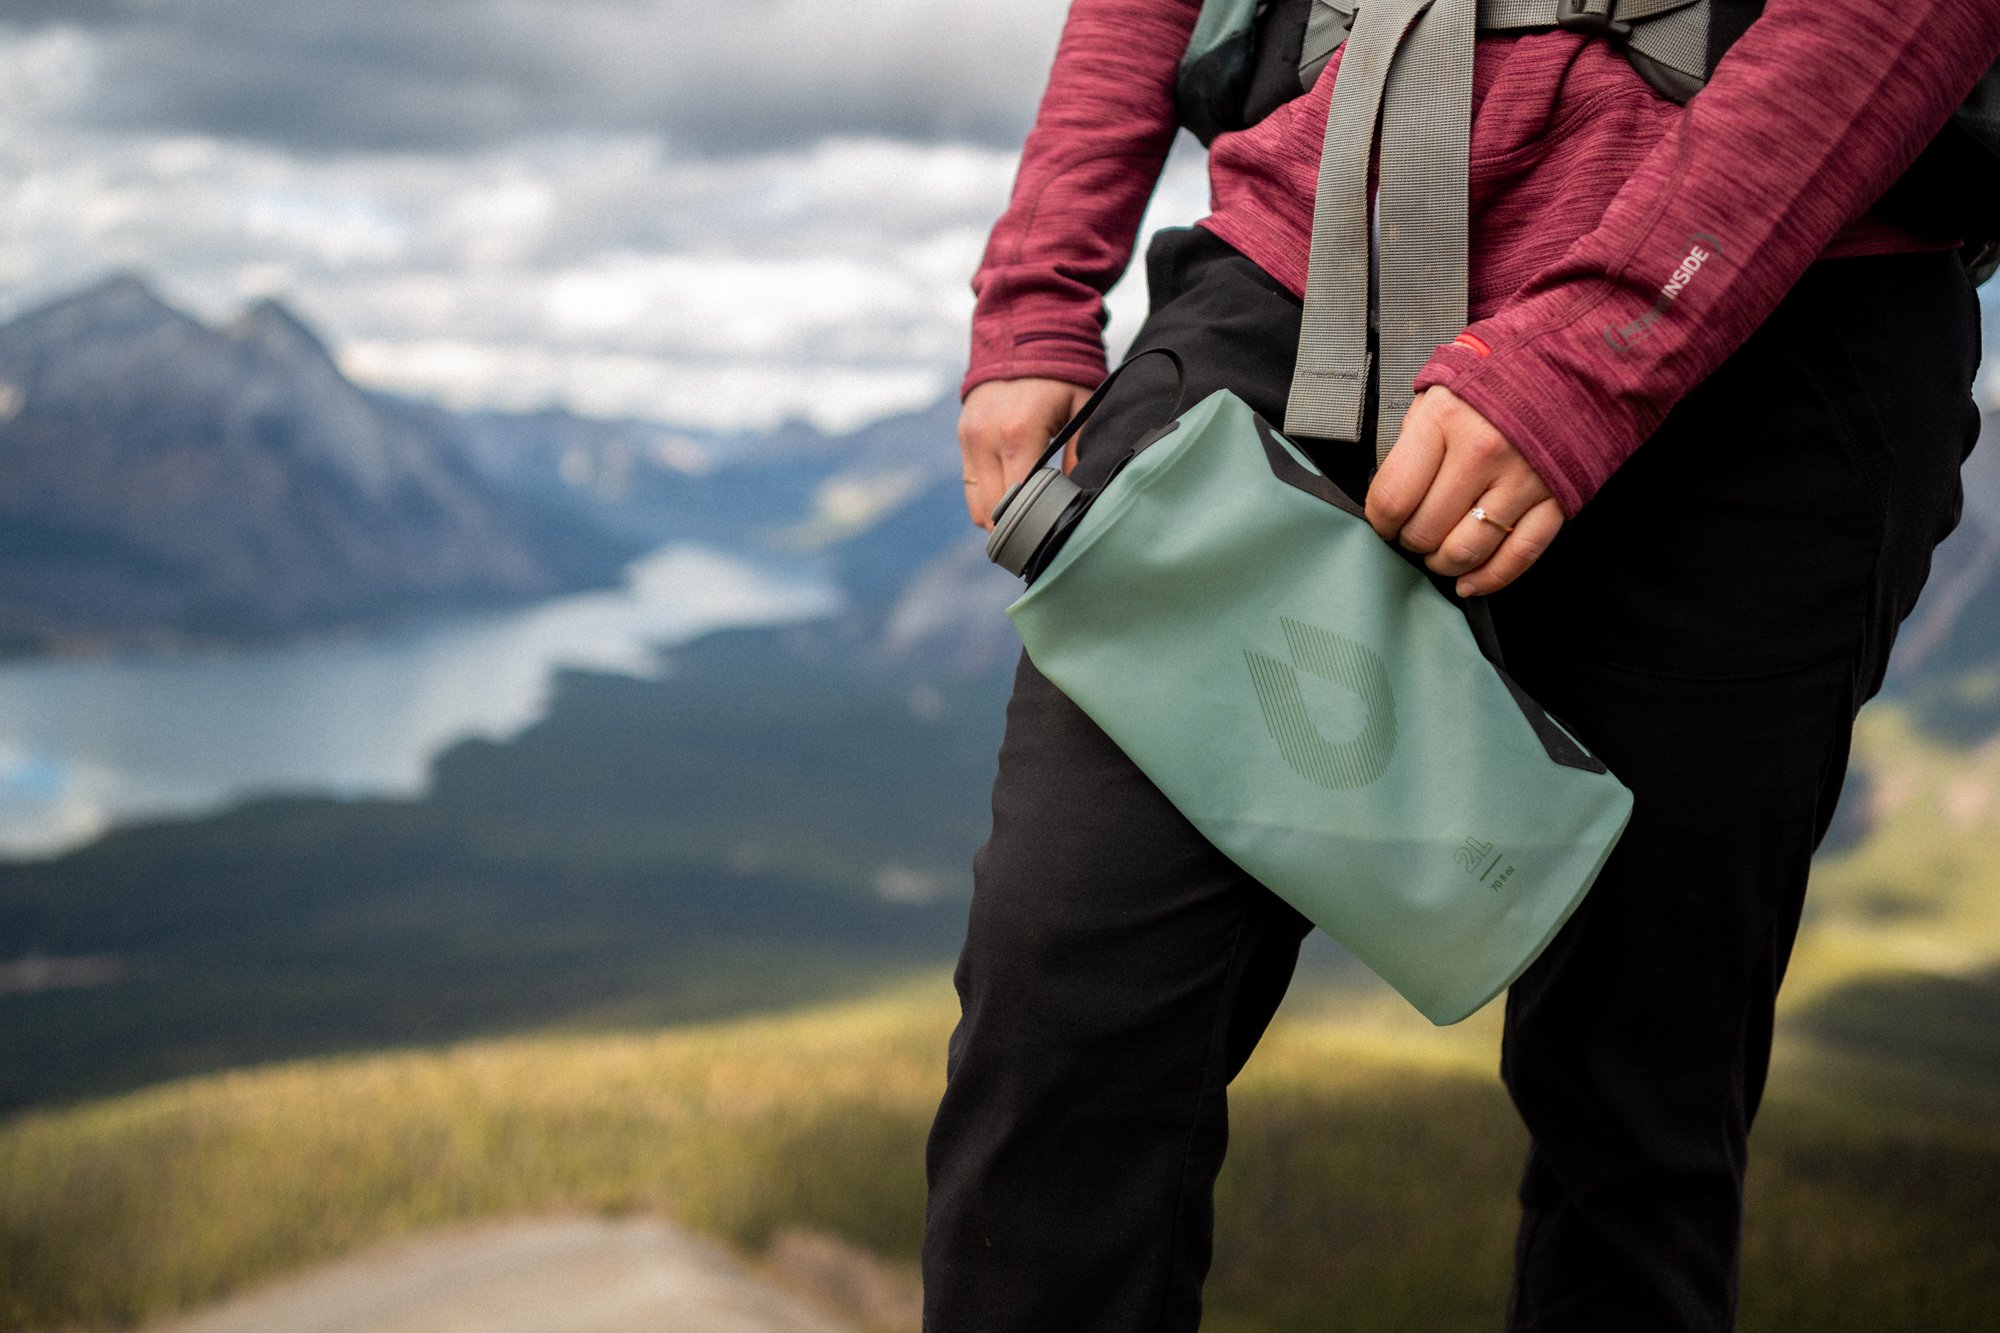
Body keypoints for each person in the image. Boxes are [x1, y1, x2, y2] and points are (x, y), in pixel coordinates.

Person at [923, 1, 2000, 1329]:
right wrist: (1037, 288)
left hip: (1777, 299)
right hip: (1307, 265)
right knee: (1060, 1018)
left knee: (1636, 1121)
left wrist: (1599, 347)